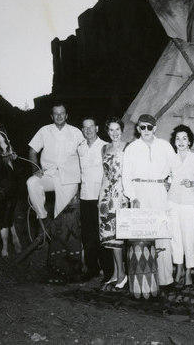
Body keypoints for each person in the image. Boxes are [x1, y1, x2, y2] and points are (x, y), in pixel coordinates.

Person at [122, 114, 176, 287]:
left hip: (159, 191)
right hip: (139, 192)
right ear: (138, 128)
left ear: (155, 128)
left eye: (149, 127)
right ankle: (143, 280)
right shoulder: (131, 148)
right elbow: (126, 175)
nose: (146, 130)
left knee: (163, 234)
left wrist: (170, 185)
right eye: (142, 127)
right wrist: (133, 197)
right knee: (142, 236)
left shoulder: (165, 146)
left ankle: (166, 279)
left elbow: (175, 168)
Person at [26, 101, 85, 220]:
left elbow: (84, 153)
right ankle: (42, 216)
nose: (59, 116)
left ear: (66, 115)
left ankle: (59, 235)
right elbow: (32, 151)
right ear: (52, 116)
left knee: (61, 214)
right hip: (49, 174)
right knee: (32, 182)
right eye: (56, 114)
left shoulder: (76, 132)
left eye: (62, 113)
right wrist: (35, 169)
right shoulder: (44, 130)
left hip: (69, 177)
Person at [168, 125, 194, 287]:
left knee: (188, 238)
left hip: (189, 204)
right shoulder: (171, 158)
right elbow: (166, 176)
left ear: (190, 141)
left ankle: (188, 270)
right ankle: (178, 268)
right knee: (175, 238)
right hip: (171, 202)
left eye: (184, 138)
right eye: (178, 138)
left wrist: (193, 182)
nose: (181, 141)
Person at [78, 117, 114, 282]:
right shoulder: (80, 148)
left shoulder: (105, 147)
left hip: (101, 198)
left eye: (91, 127)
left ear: (97, 128)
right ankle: (92, 268)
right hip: (85, 197)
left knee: (103, 236)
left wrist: (105, 195)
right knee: (88, 236)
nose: (88, 130)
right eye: (85, 128)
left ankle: (108, 272)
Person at [98, 117, 129, 289]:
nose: (115, 133)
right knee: (108, 237)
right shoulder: (104, 148)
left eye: (117, 129)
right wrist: (100, 196)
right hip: (106, 196)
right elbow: (104, 174)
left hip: (121, 194)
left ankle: (123, 274)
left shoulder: (128, 146)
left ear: (122, 130)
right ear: (107, 131)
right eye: (111, 130)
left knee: (117, 236)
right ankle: (117, 273)